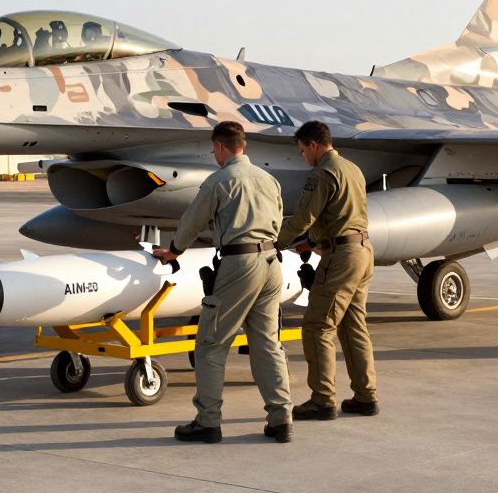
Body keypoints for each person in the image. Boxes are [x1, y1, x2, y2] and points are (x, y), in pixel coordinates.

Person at [153, 121, 294, 444]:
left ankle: (208, 421)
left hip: (240, 264)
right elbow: (279, 219)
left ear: (219, 147)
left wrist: (173, 251)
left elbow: (192, 221)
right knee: (267, 342)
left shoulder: (219, 181)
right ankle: (281, 419)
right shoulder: (268, 179)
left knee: (211, 344)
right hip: (272, 263)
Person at [276, 120, 378, 420]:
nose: (303, 156)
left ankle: (322, 400)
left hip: (341, 258)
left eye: (302, 150)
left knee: (318, 326)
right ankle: (366, 396)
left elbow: (303, 217)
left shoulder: (322, 173)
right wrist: (310, 242)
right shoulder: (352, 168)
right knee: (353, 324)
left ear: (314, 145)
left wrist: (273, 241)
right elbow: (342, 215)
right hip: (362, 252)